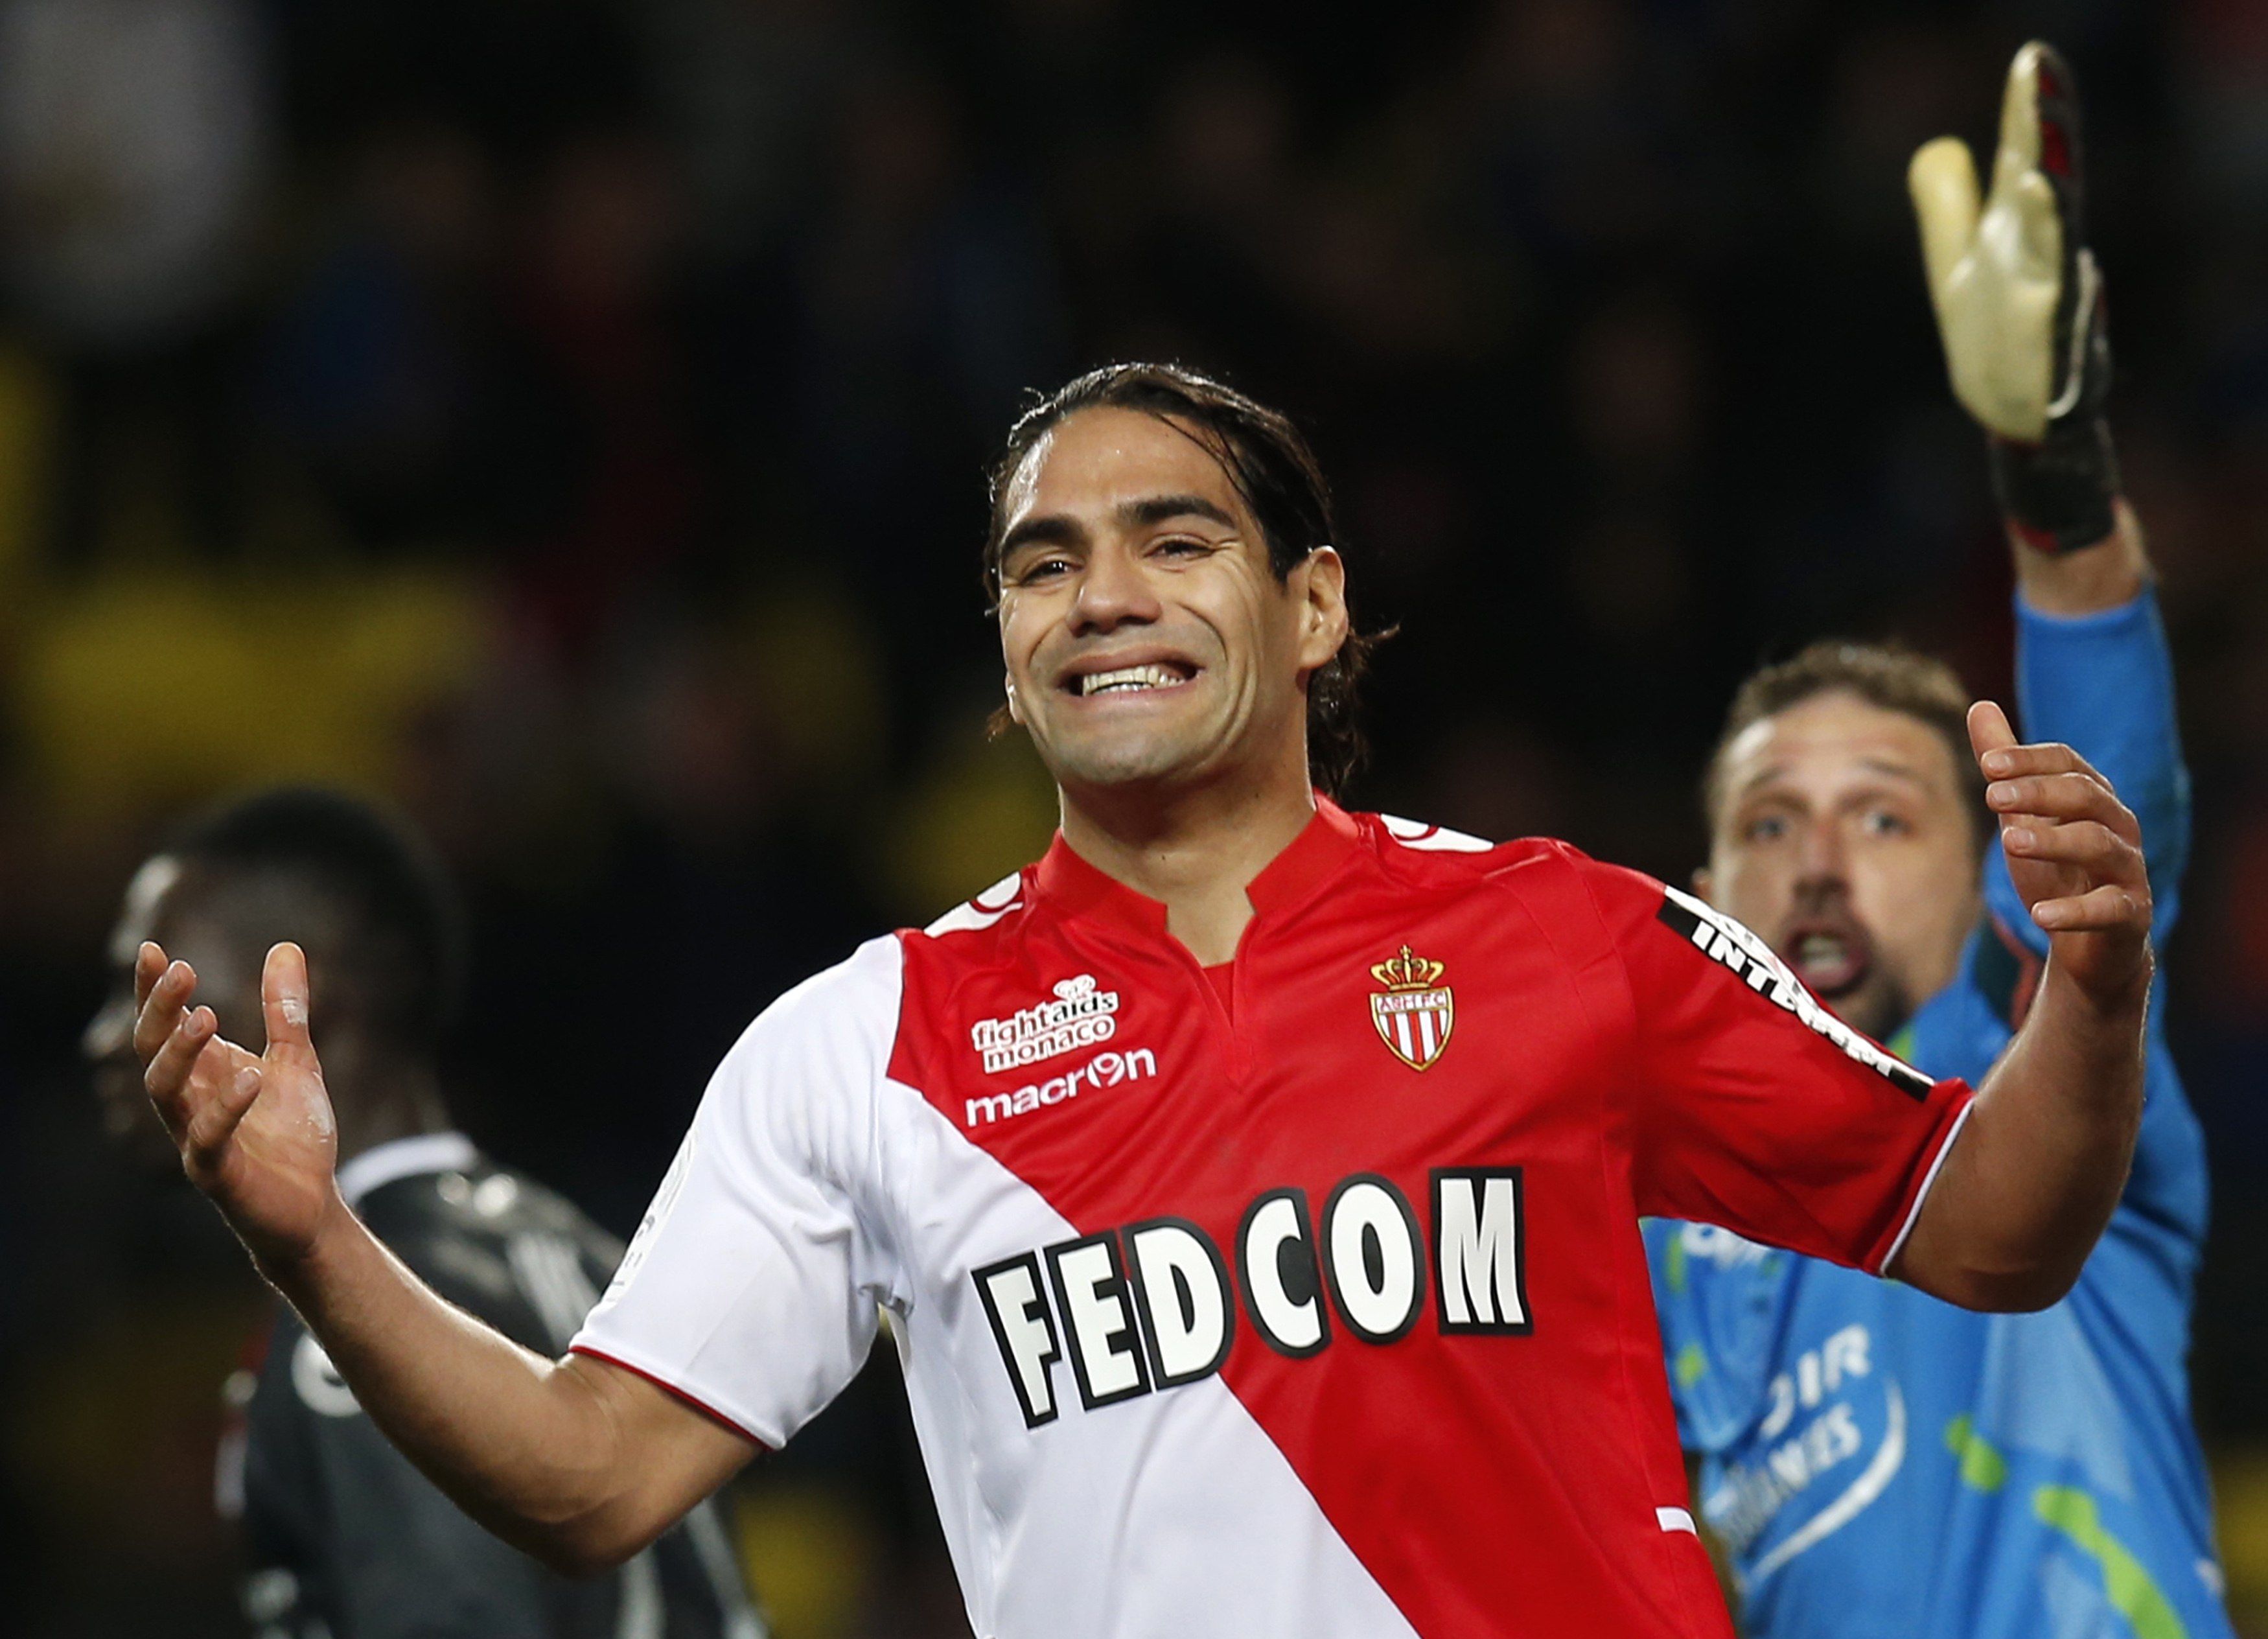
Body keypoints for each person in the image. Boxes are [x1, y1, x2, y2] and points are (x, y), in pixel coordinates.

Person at [128, 355, 2155, 1639]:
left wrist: (2096, 985)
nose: (1099, 592)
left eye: (1172, 539)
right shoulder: (859, 1050)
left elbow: (1990, 1224)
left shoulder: (1571, 935)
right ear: (1006, 660)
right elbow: (587, 1482)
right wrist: (311, 1242)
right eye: (1041, 565)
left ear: (1314, 603)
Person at [1643, 42, 2232, 1639]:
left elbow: (2105, 845)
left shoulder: (2029, 1084)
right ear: (1700, 900)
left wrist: (2054, 480)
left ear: (1980, 876)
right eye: (1771, 823)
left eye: (1882, 814)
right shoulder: (1643, 1235)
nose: (1819, 861)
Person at [84, 787, 763, 1639]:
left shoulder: (374, 1323)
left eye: (143, 984)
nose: (109, 1035)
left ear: (297, 989)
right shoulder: (586, 1247)